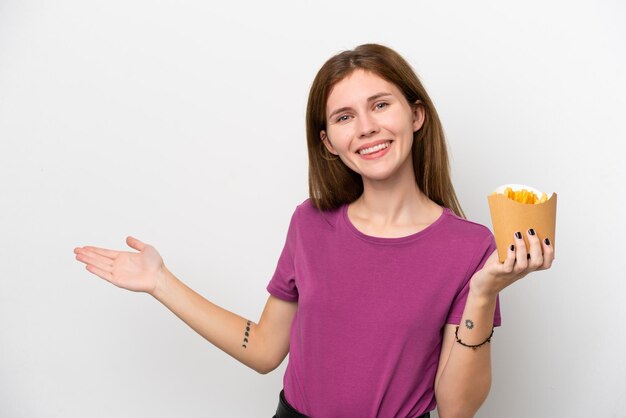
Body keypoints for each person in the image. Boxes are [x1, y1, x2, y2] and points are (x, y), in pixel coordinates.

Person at [74, 43, 555, 418]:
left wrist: (483, 292)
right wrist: (162, 282)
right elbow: (264, 350)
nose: (366, 127)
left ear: (416, 114)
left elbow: (456, 409)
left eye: (380, 105)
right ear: (329, 143)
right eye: (345, 117)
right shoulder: (310, 223)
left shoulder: (471, 249)